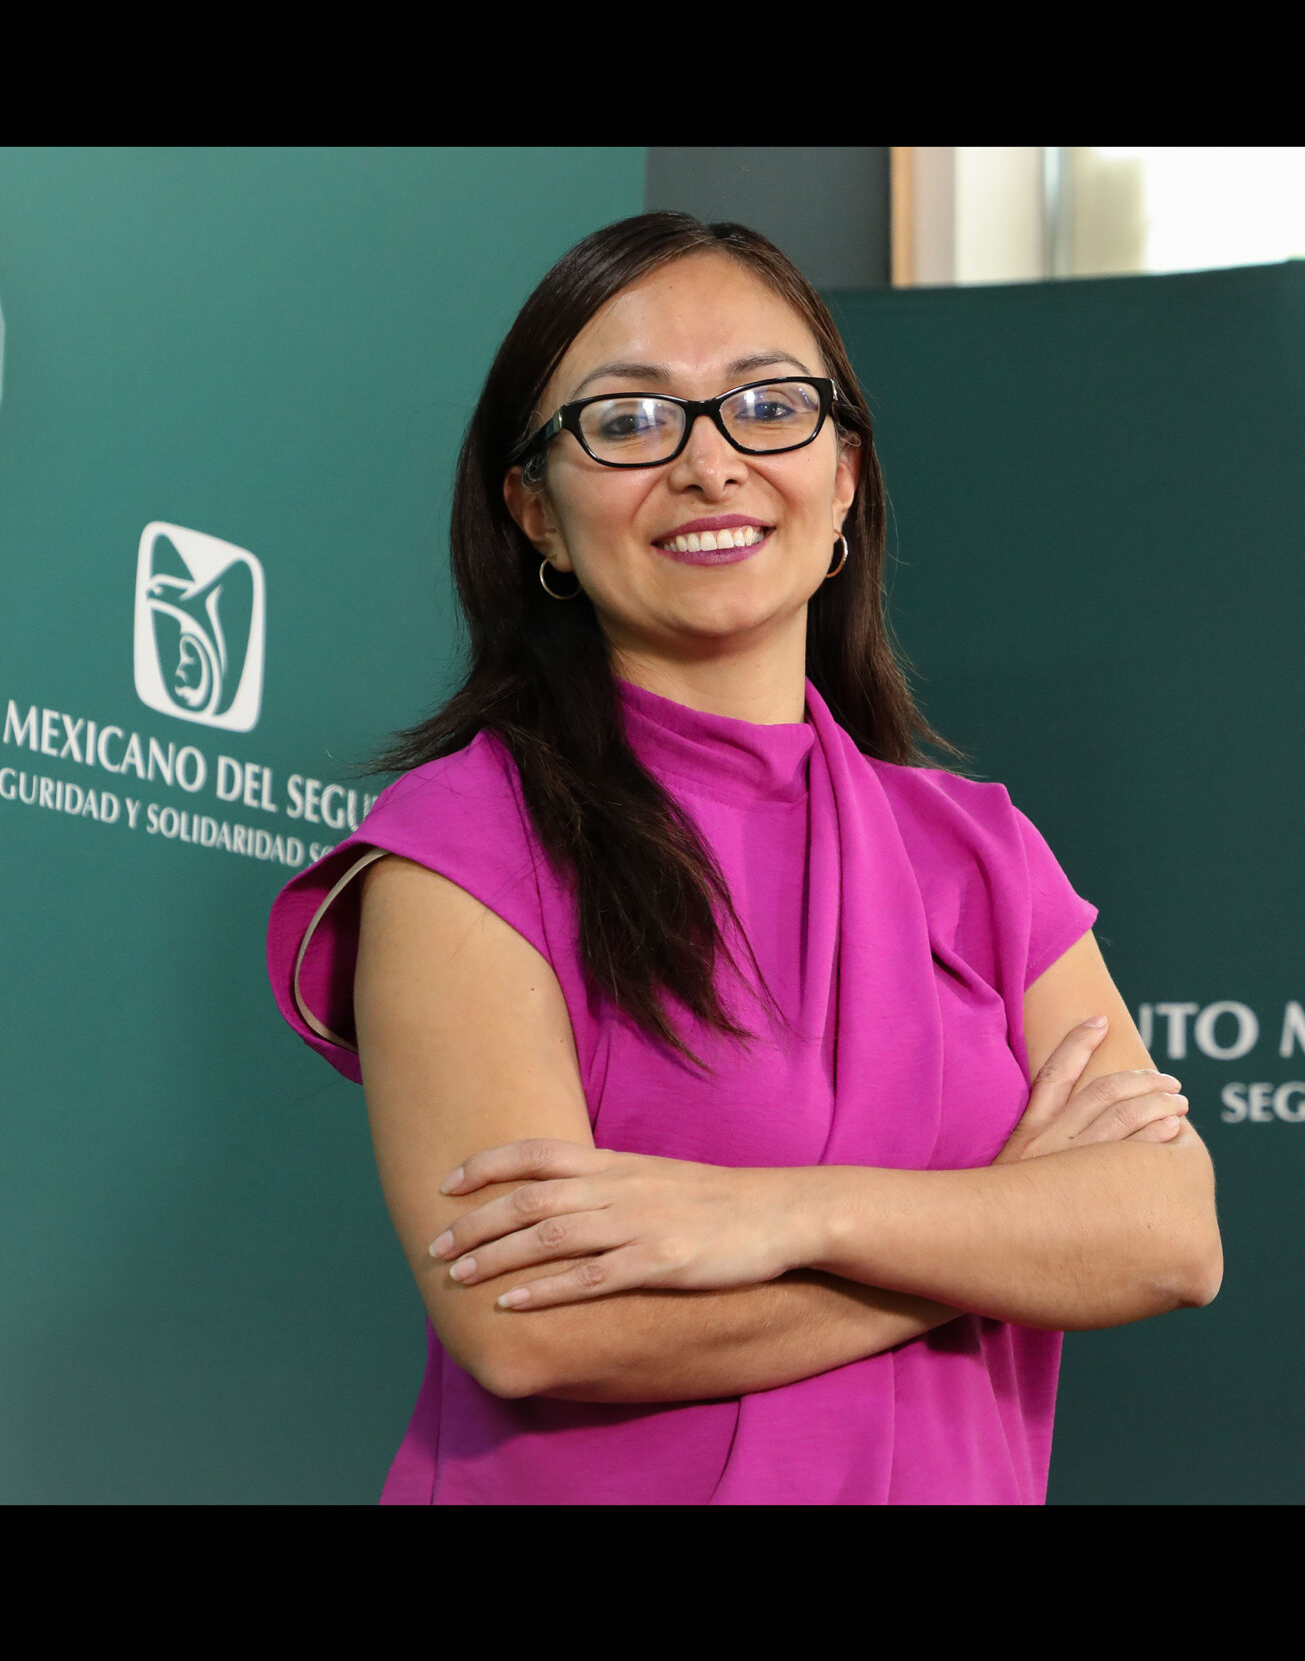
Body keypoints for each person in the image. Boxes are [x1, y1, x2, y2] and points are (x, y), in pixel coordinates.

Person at [266, 213, 1220, 1504]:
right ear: (536, 511)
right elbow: (528, 1327)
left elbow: (1166, 1235)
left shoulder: (978, 849)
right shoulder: (462, 843)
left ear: (843, 477)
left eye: (769, 407)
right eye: (629, 421)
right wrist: (1001, 1223)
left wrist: (782, 1215)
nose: (711, 465)